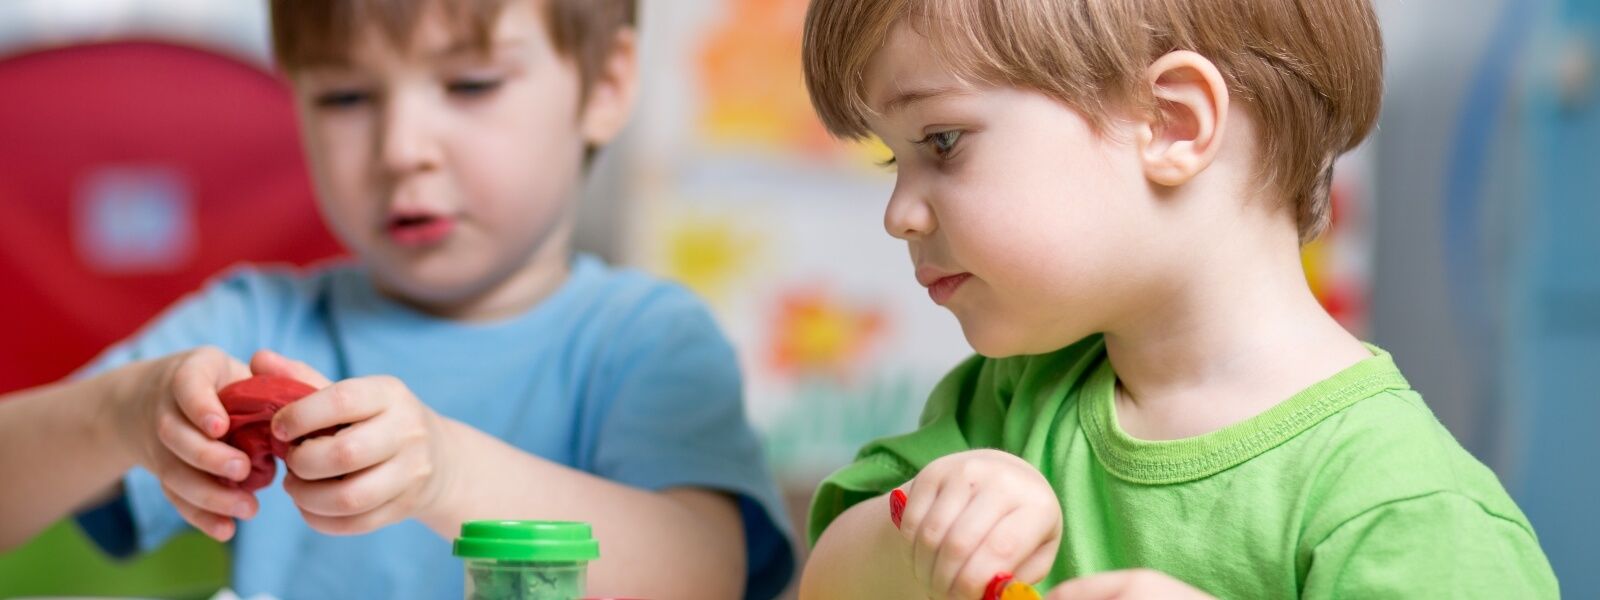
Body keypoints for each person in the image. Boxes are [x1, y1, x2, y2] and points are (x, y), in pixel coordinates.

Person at [0, 1, 794, 598]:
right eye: (345, 97)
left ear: (606, 85)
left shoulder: (647, 340)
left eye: (470, 83)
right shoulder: (256, 323)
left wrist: (446, 478)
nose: (400, 149)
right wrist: (117, 417)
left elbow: (707, 572)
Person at [794, 0, 1558, 598]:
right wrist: (921, 542)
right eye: (894, 158)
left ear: (1172, 123)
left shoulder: (1410, 510)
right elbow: (826, 581)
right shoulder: (1014, 398)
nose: (900, 213)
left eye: (943, 142)